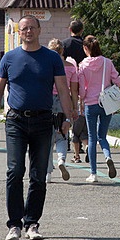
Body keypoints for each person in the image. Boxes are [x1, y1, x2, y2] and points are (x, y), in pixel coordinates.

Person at [0, 15, 74, 240]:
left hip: (43, 121)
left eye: (31, 28)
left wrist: (68, 117)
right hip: (16, 120)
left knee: (38, 174)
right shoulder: (10, 58)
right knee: (15, 171)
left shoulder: (51, 58)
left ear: (39, 30)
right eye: (24, 28)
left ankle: (32, 222)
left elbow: (63, 90)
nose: (28, 32)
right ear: (19, 31)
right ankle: (14, 224)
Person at [77, 35, 120, 183]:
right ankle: (108, 156)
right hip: (106, 103)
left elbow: (82, 91)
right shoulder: (107, 62)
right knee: (102, 136)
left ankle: (93, 173)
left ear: (85, 48)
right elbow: (117, 80)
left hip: (91, 103)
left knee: (91, 137)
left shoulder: (82, 65)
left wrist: (81, 99)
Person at [46, 39, 79, 182]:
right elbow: (74, 90)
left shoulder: (46, 65)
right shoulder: (71, 67)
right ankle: (61, 160)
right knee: (62, 135)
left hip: (47, 101)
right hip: (64, 103)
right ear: (62, 51)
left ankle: (47, 174)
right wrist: (74, 108)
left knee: (47, 138)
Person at [63, 20, 88, 163]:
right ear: (81, 30)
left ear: (69, 29)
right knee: (81, 112)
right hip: (84, 80)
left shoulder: (65, 44)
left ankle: (67, 142)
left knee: (68, 112)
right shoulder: (85, 45)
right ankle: (84, 144)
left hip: (68, 80)